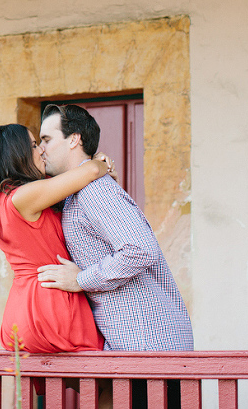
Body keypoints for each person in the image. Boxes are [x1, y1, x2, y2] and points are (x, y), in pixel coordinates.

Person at [35, 103, 194, 353]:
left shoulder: (94, 190)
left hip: (150, 347)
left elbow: (140, 250)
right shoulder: (74, 191)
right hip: (133, 346)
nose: (40, 150)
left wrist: (80, 279)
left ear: (74, 139)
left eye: (46, 139)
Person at [0, 123, 113, 354]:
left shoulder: (4, 199)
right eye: (33, 145)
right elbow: (90, 171)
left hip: (23, 308)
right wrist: (101, 163)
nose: (40, 150)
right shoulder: (24, 196)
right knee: (103, 382)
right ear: (15, 153)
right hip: (50, 304)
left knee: (57, 387)